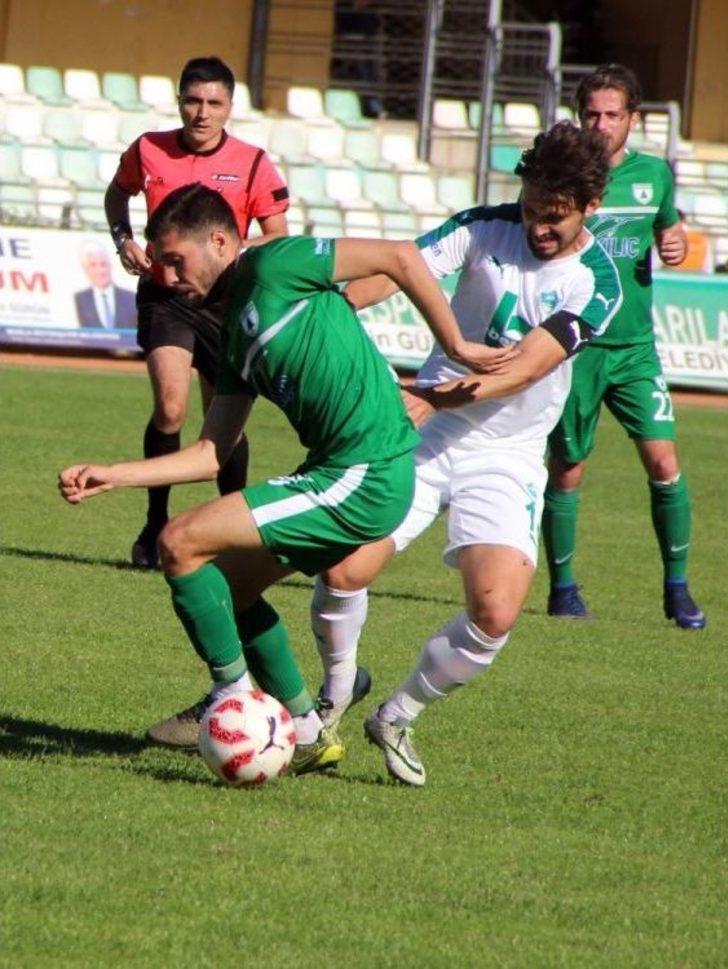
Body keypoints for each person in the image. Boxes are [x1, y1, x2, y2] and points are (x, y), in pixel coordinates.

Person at [59, 184, 502, 774]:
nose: (165, 275)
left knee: (178, 542)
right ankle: (307, 729)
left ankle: (234, 700)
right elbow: (212, 453)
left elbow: (398, 256)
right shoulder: (236, 335)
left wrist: (455, 344)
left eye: (175, 259)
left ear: (219, 240)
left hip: (366, 474)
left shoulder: (278, 261)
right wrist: (115, 475)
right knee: (227, 588)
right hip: (338, 472)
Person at [309, 121, 622, 786]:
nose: (539, 226)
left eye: (555, 218)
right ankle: (334, 696)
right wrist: (322, 305)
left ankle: (397, 713)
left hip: (505, 454)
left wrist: (431, 396)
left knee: (496, 611)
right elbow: (389, 274)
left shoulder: (594, 282)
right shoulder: (482, 226)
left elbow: (520, 372)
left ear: (590, 207)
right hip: (427, 439)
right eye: (533, 208)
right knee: (342, 571)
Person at [104, 55, 289, 569]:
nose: (202, 112)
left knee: (222, 423)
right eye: (193, 100)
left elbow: (277, 236)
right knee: (170, 408)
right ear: (179, 101)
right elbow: (117, 195)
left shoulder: (253, 162)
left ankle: (231, 533)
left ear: (230, 107)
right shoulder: (148, 149)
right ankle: (154, 524)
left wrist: (224, 249)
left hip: (228, 304)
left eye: (214, 103)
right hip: (166, 295)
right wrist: (123, 239)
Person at [542, 64, 706, 628]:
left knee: (664, 462)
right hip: (575, 345)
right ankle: (563, 590)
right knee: (567, 468)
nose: (602, 124)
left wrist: (675, 240)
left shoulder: (654, 175)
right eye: (592, 113)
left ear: (632, 119)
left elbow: (668, 231)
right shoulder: (562, 176)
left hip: (636, 348)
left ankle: (678, 590)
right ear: (579, 114)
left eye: (613, 115)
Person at [74, 241, 137, 329]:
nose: (100, 271)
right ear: (85, 269)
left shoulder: (131, 298)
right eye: (93, 265)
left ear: (110, 266)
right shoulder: (80, 299)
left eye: (103, 264)